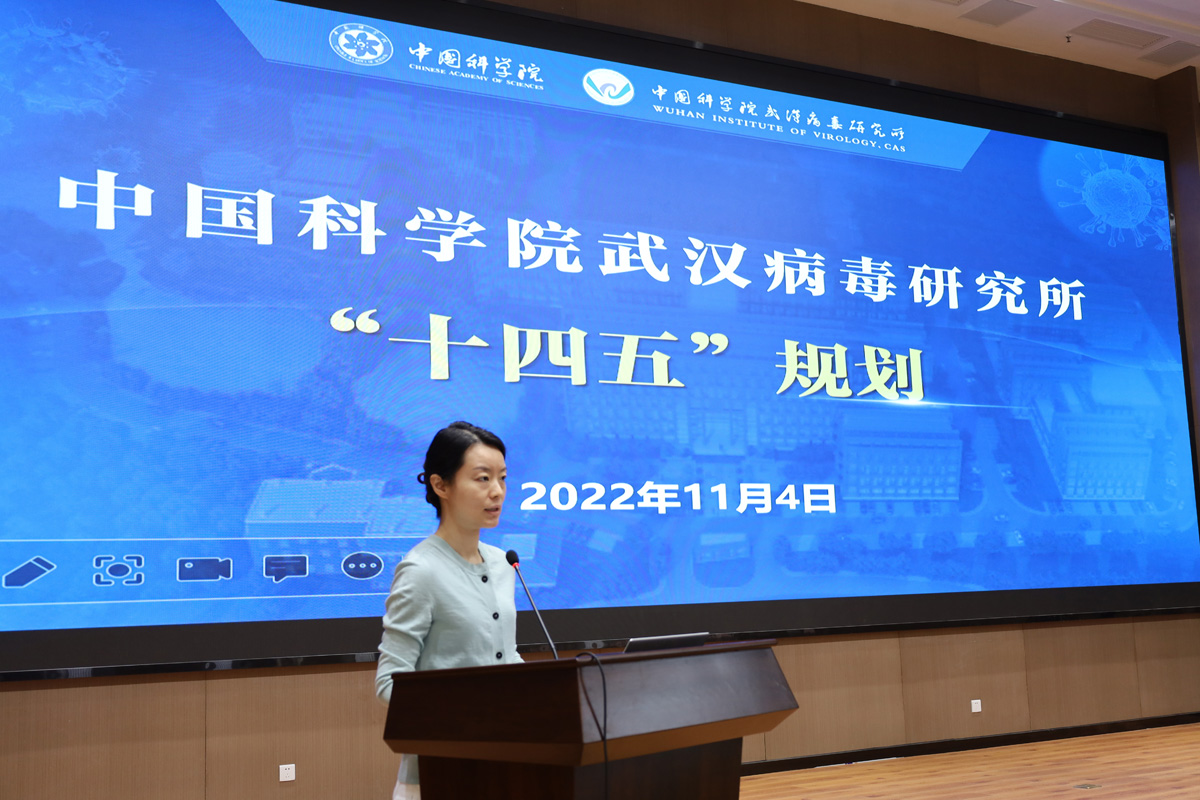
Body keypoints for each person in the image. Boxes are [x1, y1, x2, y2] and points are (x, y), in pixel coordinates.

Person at [374, 421, 523, 800]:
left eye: (503, 478)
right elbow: (390, 682)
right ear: (441, 485)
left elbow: (505, 657)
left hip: (507, 762)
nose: (497, 491)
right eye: (483, 478)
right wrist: (467, 712)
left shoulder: (503, 563)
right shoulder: (421, 570)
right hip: (439, 772)